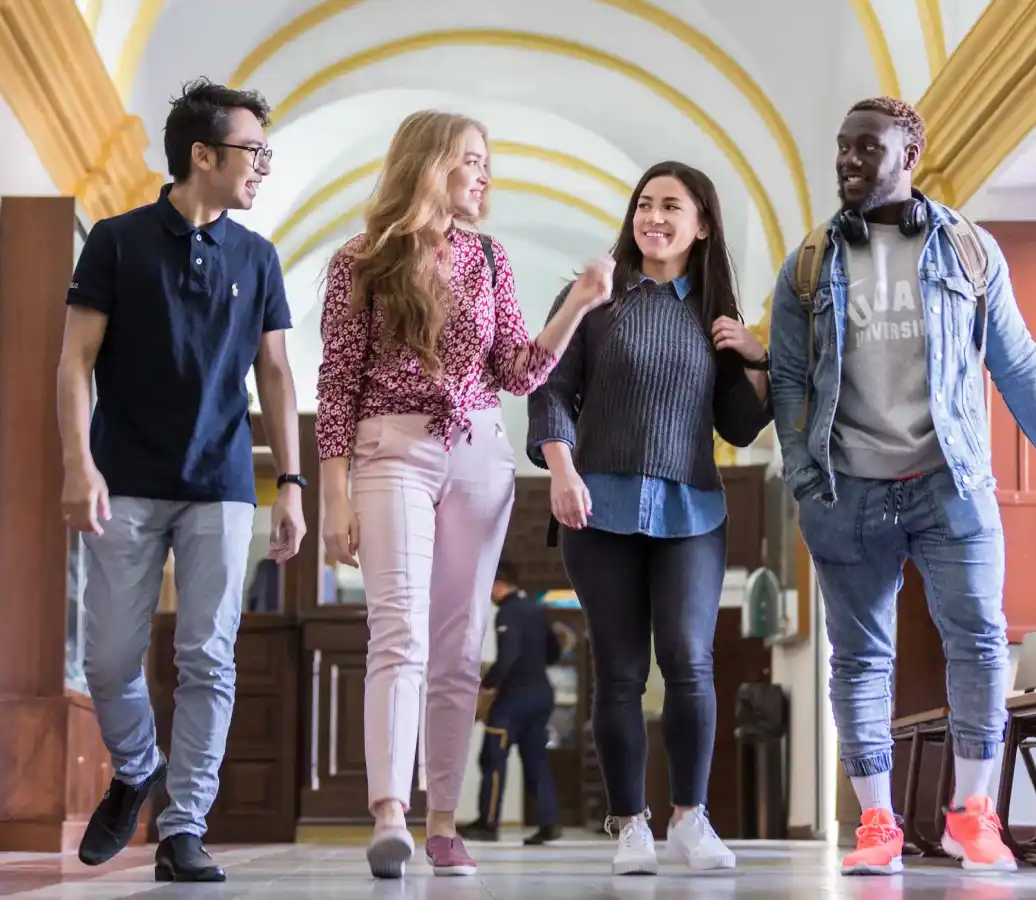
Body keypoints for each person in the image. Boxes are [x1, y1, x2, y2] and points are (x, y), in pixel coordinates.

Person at [769, 96, 1036, 876]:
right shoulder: (809, 263)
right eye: (841, 148)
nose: (847, 162)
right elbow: (784, 378)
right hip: (846, 492)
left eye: (866, 149)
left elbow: (1016, 364)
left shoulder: (969, 251)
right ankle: (877, 823)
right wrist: (807, 477)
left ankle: (972, 814)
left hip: (951, 483)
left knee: (980, 639)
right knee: (858, 659)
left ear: (908, 154)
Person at [315, 110, 616, 880]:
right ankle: (390, 812)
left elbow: (517, 371)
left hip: (481, 457)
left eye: (487, 163)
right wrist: (333, 495)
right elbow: (337, 384)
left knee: (456, 650)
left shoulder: (488, 257)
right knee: (399, 632)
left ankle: (443, 820)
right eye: (471, 161)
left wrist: (579, 302)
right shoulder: (361, 261)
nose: (484, 176)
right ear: (428, 163)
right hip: (393, 453)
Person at [57, 79, 305, 884]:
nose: (263, 166)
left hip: (223, 483)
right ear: (203, 156)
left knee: (209, 656)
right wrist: (77, 462)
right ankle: (136, 766)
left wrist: (291, 484)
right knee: (108, 659)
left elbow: (275, 375)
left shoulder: (257, 256)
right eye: (252, 151)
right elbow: (74, 363)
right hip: (123, 477)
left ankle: (184, 824)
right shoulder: (117, 242)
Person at [527, 161, 772, 876]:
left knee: (691, 662)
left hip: (691, 508)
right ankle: (630, 824)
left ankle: (690, 819)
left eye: (671, 206)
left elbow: (741, 423)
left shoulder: (712, 312)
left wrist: (755, 360)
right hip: (596, 505)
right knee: (621, 672)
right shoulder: (596, 297)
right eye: (644, 204)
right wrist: (563, 471)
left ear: (701, 226)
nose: (653, 217)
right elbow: (549, 390)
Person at [460, 560, 564, 846]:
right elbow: (554, 651)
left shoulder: (508, 612)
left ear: (498, 583)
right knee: (536, 760)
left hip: (513, 699)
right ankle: (549, 822)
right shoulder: (535, 608)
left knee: (493, 759)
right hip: (541, 695)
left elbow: (508, 656)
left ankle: (487, 822)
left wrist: (487, 686)